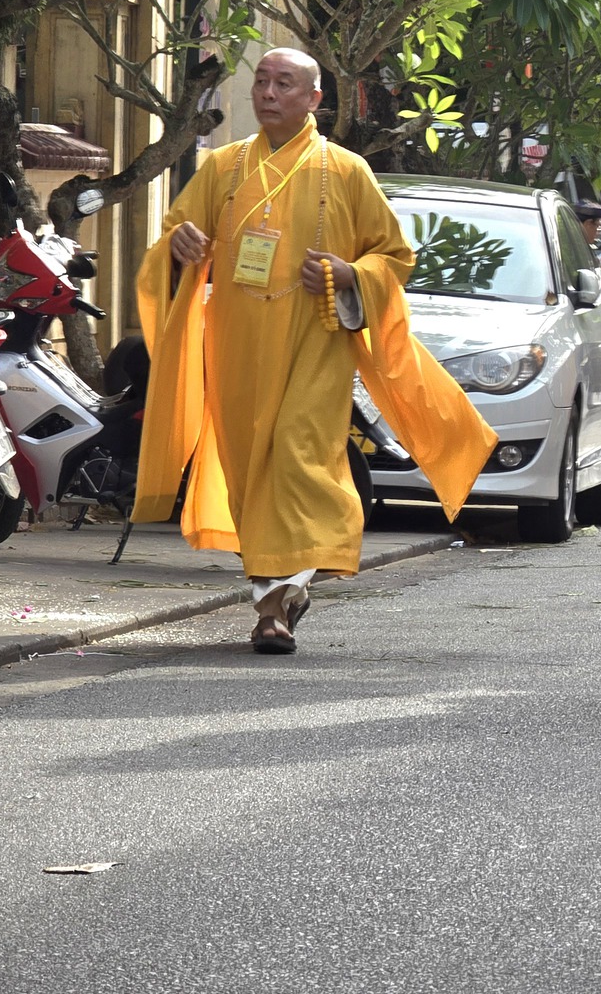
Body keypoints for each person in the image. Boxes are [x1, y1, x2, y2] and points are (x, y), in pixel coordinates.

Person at [132, 48, 496, 653]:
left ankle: (278, 602)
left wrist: (350, 273)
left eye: (285, 84)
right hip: (237, 341)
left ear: (313, 99)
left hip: (316, 341)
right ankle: (281, 597)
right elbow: (174, 238)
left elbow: (394, 256)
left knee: (299, 457)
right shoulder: (222, 167)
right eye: (263, 82)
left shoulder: (346, 170)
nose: (268, 93)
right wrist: (180, 242)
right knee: (251, 469)